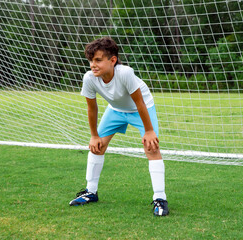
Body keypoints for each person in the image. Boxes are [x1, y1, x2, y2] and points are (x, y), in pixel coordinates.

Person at [69, 37, 169, 216]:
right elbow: (92, 107)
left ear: (112, 60)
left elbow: (139, 103)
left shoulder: (125, 73)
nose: (93, 64)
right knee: (97, 147)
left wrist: (148, 131)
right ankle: (91, 192)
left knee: (151, 147)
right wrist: (94, 135)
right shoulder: (89, 78)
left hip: (141, 108)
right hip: (115, 110)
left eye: (98, 60)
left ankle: (160, 198)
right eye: (91, 60)